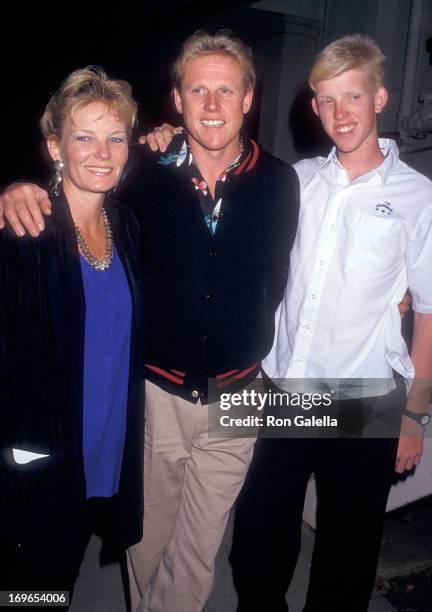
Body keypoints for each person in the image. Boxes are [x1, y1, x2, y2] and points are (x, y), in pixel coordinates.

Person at [0, 31, 300, 612]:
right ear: (177, 99)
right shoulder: (139, 177)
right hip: (141, 402)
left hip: (238, 395)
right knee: (127, 544)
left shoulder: (280, 183)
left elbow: (285, 277)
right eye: (197, 90)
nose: (212, 104)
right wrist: (15, 187)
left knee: (196, 552)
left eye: (225, 90)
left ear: (248, 98)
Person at [228, 34, 432, 612]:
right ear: (314, 106)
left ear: (379, 98)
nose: (340, 114)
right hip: (285, 391)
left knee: (346, 557)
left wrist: (415, 416)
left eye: (352, 97)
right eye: (326, 100)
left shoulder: (419, 198)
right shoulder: (295, 182)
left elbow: (430, 312)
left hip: (368, 398)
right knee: (256, 544)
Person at [0, 67, 144, 604]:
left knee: (61, 577)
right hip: (38, 454)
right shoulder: (25, 227)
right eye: (83, 136)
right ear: (54, 146)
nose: (102, 152)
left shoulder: (126, 226)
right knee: (29, 589)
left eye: (115, 138)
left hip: (100, 449)